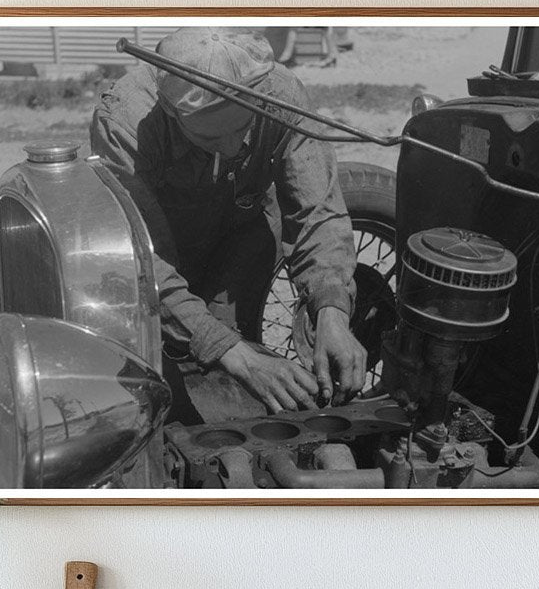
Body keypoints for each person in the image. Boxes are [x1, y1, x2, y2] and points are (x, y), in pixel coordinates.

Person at [90, 27, 365, 414]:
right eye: (212, 138)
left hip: (242, 238)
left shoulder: (280, 94)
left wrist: (333, 308)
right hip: (163, 259)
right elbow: (140, 260)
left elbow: (318, 209)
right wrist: (237, 356)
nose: (234, 147)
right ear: (173, 113)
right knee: (155, 394)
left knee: (229, 393)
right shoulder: (125, 123)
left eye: (243, 128)